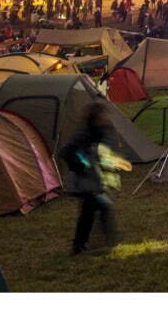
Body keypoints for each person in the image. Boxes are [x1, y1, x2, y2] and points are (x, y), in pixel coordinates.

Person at [62, 107, 119, 256]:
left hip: (92, 179)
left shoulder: (98, 132)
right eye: (104, 115)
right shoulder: (85, 134)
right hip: (84, 181)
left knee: (90, 212)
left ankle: (86, 244)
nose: (107, 118)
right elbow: (68, 152)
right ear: (96, 118)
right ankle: (95, 243)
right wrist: (82, 166)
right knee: (99, 208)